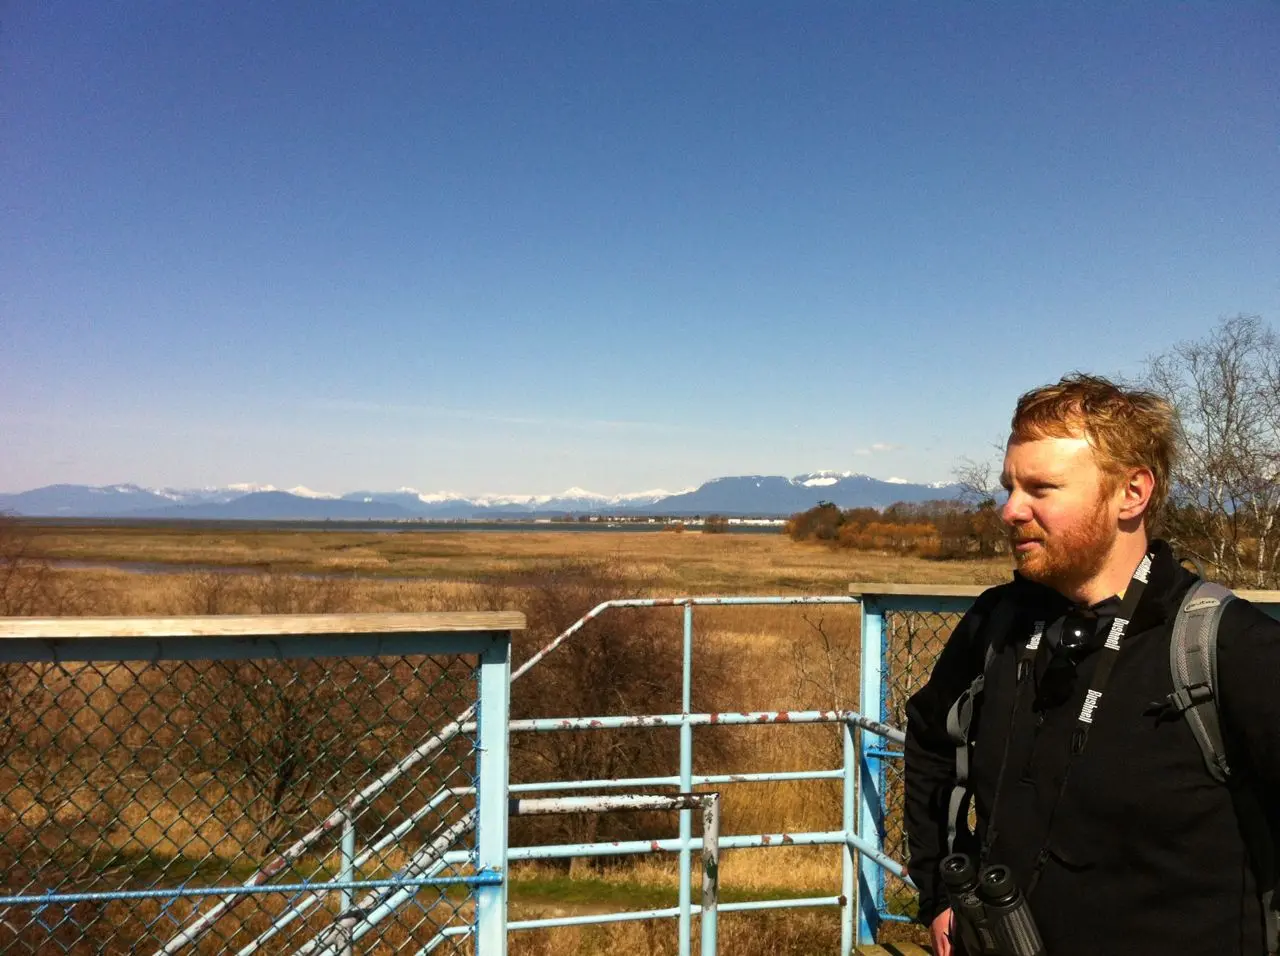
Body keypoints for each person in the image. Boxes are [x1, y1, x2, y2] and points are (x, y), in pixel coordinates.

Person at [903, 374, 1280, 955]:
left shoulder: (1225, 648)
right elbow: (933, 743)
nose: (1009, 510)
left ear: (1132, 492)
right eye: (1010, 486)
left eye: (1041, 488)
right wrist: (939, 891)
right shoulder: (996, 625)